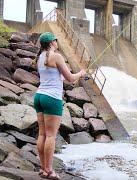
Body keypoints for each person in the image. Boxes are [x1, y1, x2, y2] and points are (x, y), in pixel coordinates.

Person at [33, 32, 86, 179]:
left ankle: (43, 169)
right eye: (55, 40)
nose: (57, 42)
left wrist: (66, 78)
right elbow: (69, 78)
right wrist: (80, 73)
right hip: (52, 99)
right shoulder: (56, 56)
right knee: (51, 136)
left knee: (42, 134)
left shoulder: (40, 57)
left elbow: (54, 76)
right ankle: (50, 171)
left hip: (39, 96)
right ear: (51, 43)